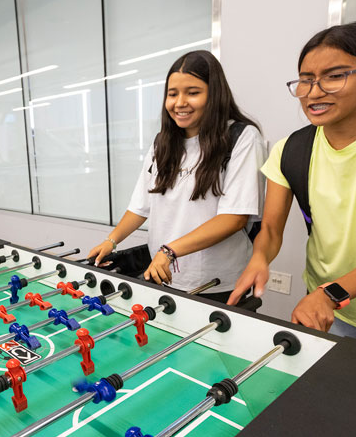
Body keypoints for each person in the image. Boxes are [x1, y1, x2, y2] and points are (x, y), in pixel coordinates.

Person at [228, 22, 356, 388]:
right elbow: (272, 229)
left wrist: (330, 293)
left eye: (334, 76)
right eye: (305, 79)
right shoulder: (290, 150)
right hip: (328, 309)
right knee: (327, 402)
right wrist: (260, 258)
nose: (313, 92)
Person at [88, 50, 266, 303]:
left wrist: (170, 251)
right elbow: (141, 206)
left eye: (192, 92)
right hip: (163, 272)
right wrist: (111, 240)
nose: (179, 102)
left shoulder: (242, 138)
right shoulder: (163, 143)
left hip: (216, 281)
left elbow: (234, 218)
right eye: (172, 94)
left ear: (214, 94)